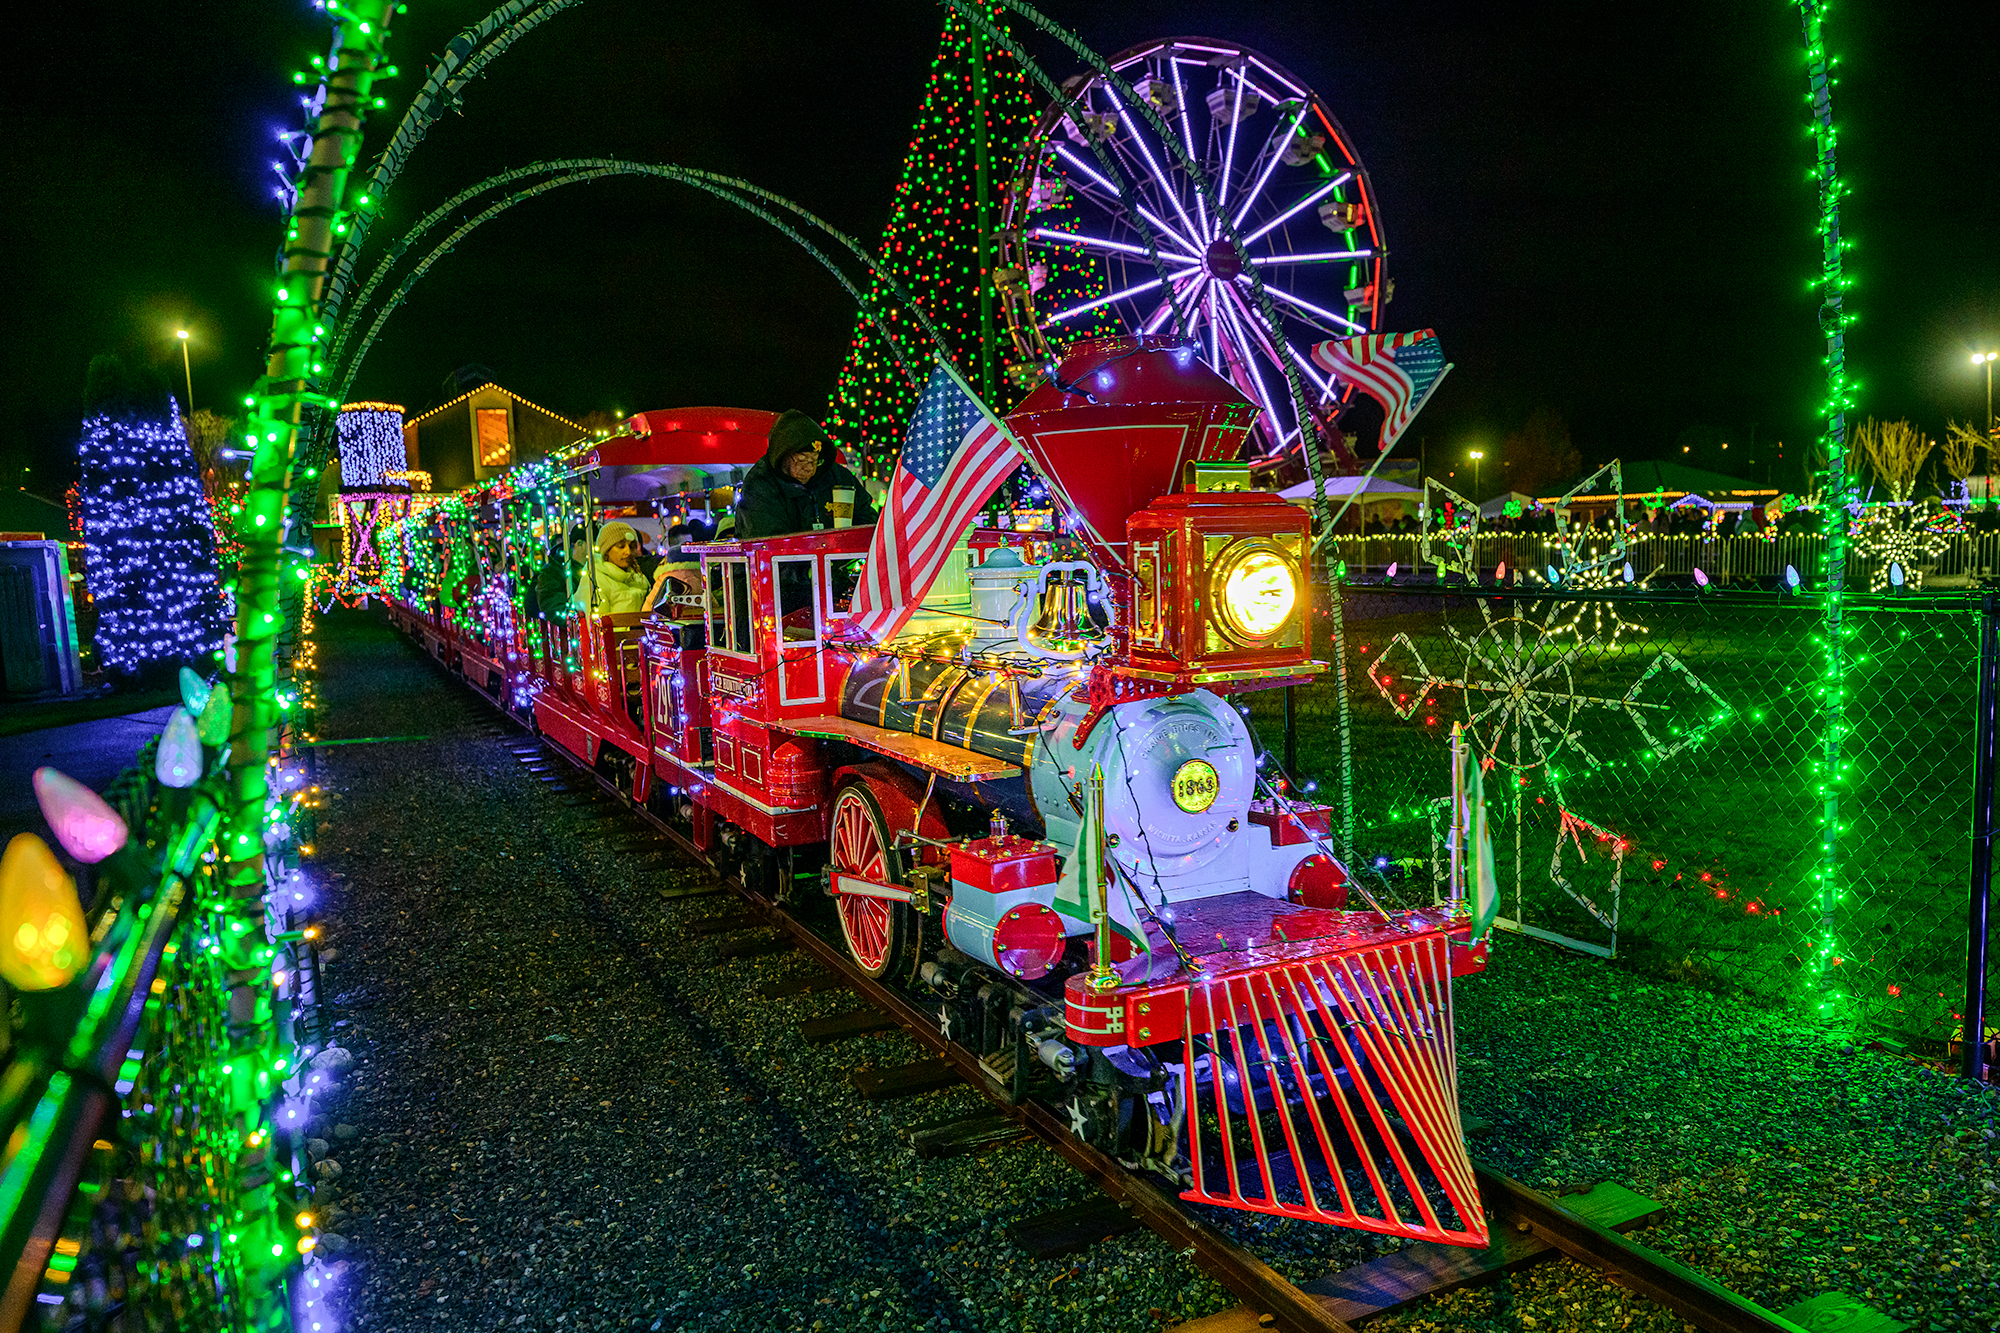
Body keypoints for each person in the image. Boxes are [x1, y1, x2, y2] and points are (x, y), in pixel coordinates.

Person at [734, 409, 879, 538]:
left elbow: (866, 516)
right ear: (783, 455)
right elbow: (767, 542)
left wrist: (848, 541)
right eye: (801, 460)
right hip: (781, 565)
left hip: (834, 564)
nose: (809, 468)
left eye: (814, 460)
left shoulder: (837, 477)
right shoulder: (760, 485)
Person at [574, 522, 653, 615]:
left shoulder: (640, 579)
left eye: (632, 547)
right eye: (621, 546)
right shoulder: (594, 581)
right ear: (606, 550)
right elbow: (598, 624)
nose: (628, 552)